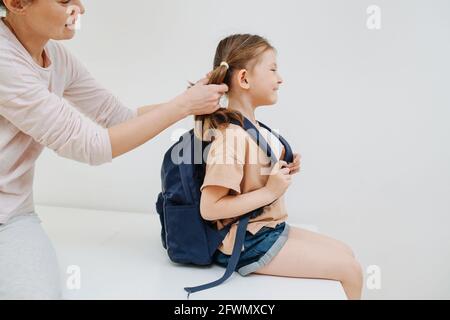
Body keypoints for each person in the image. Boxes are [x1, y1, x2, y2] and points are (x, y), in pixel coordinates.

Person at [0, 0, 227, 299]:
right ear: (16, 3)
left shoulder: (56, 57)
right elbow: (91, 146)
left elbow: (117, 118)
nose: (79, 9)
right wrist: (184, 105)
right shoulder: (5, 62)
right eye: (65, 1)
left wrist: (189, 101)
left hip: (13, 217)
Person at [198, 34, 364, 300]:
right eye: (273, 69)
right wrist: (269, 192)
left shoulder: (250, 128)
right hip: (247, 242)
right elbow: (210, 208)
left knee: (347, 253)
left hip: (267, 228)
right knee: (351, 270)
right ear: (244, 79)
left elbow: (248, 178)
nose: (280, 78)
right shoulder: (231, 136)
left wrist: (280, 168)